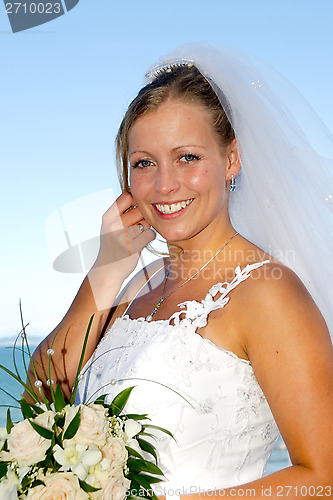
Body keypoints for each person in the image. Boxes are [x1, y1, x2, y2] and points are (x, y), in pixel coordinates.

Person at [29, 44, 333, 498]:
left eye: (187, 157)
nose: (164, 184)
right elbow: (41, 394)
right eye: (144, 163)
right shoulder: (135, 285)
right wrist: (105, 271)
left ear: (231, 159)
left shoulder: (267, 292)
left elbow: (321, 478)